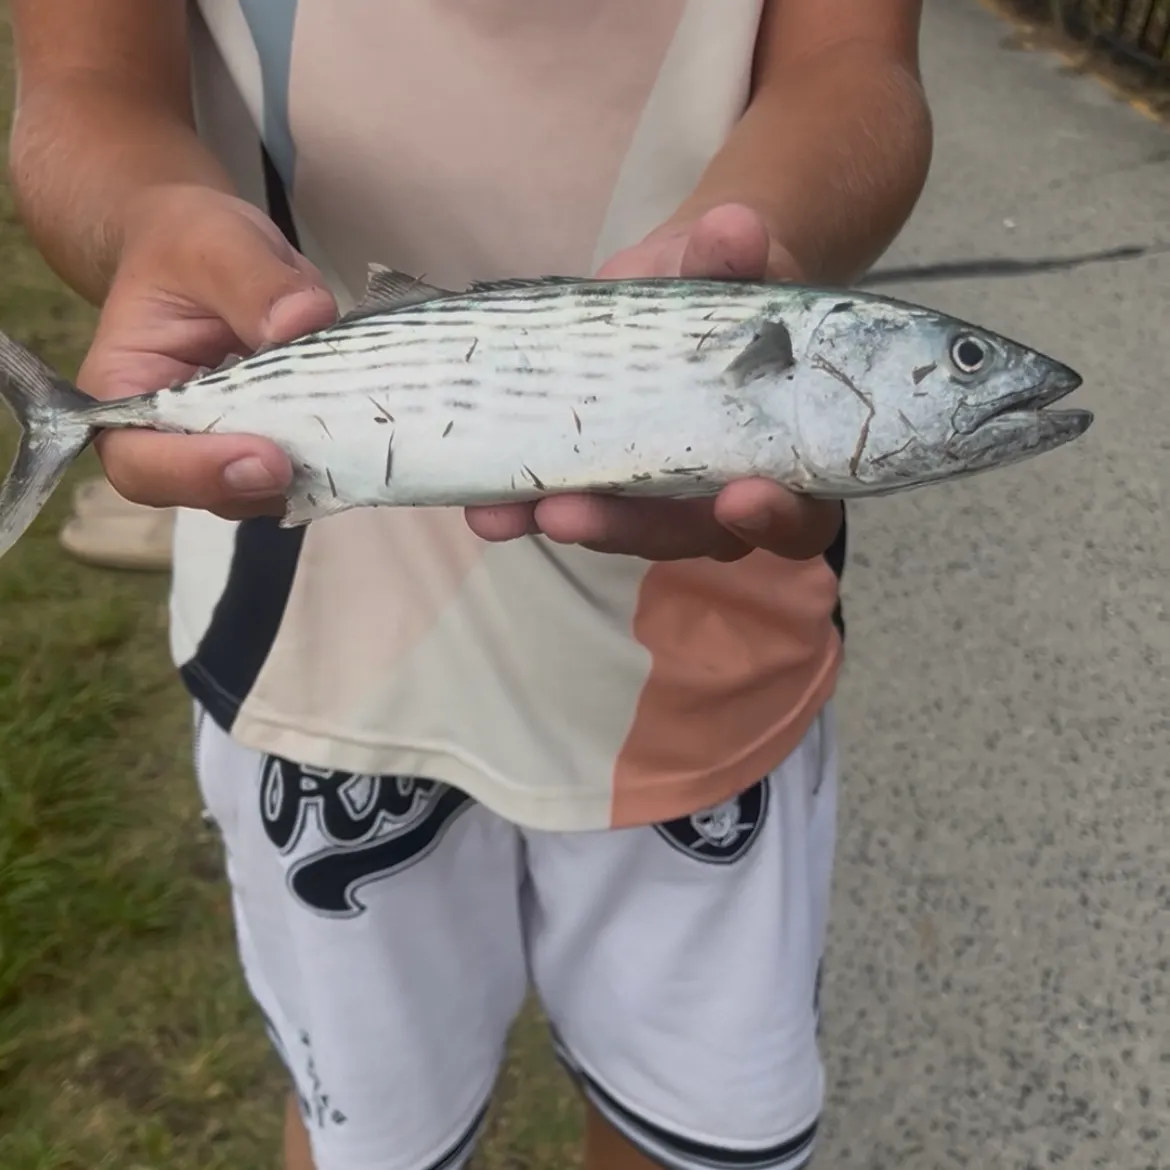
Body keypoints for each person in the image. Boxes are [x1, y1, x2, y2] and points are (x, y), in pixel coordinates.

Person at [10, 2, 932, 1168]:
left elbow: (856, 64)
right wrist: (150, 221)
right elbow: (86, 86)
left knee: (699, 1138)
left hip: (708, 653)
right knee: (375, 1140)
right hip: (321, 646)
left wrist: (753, 247)